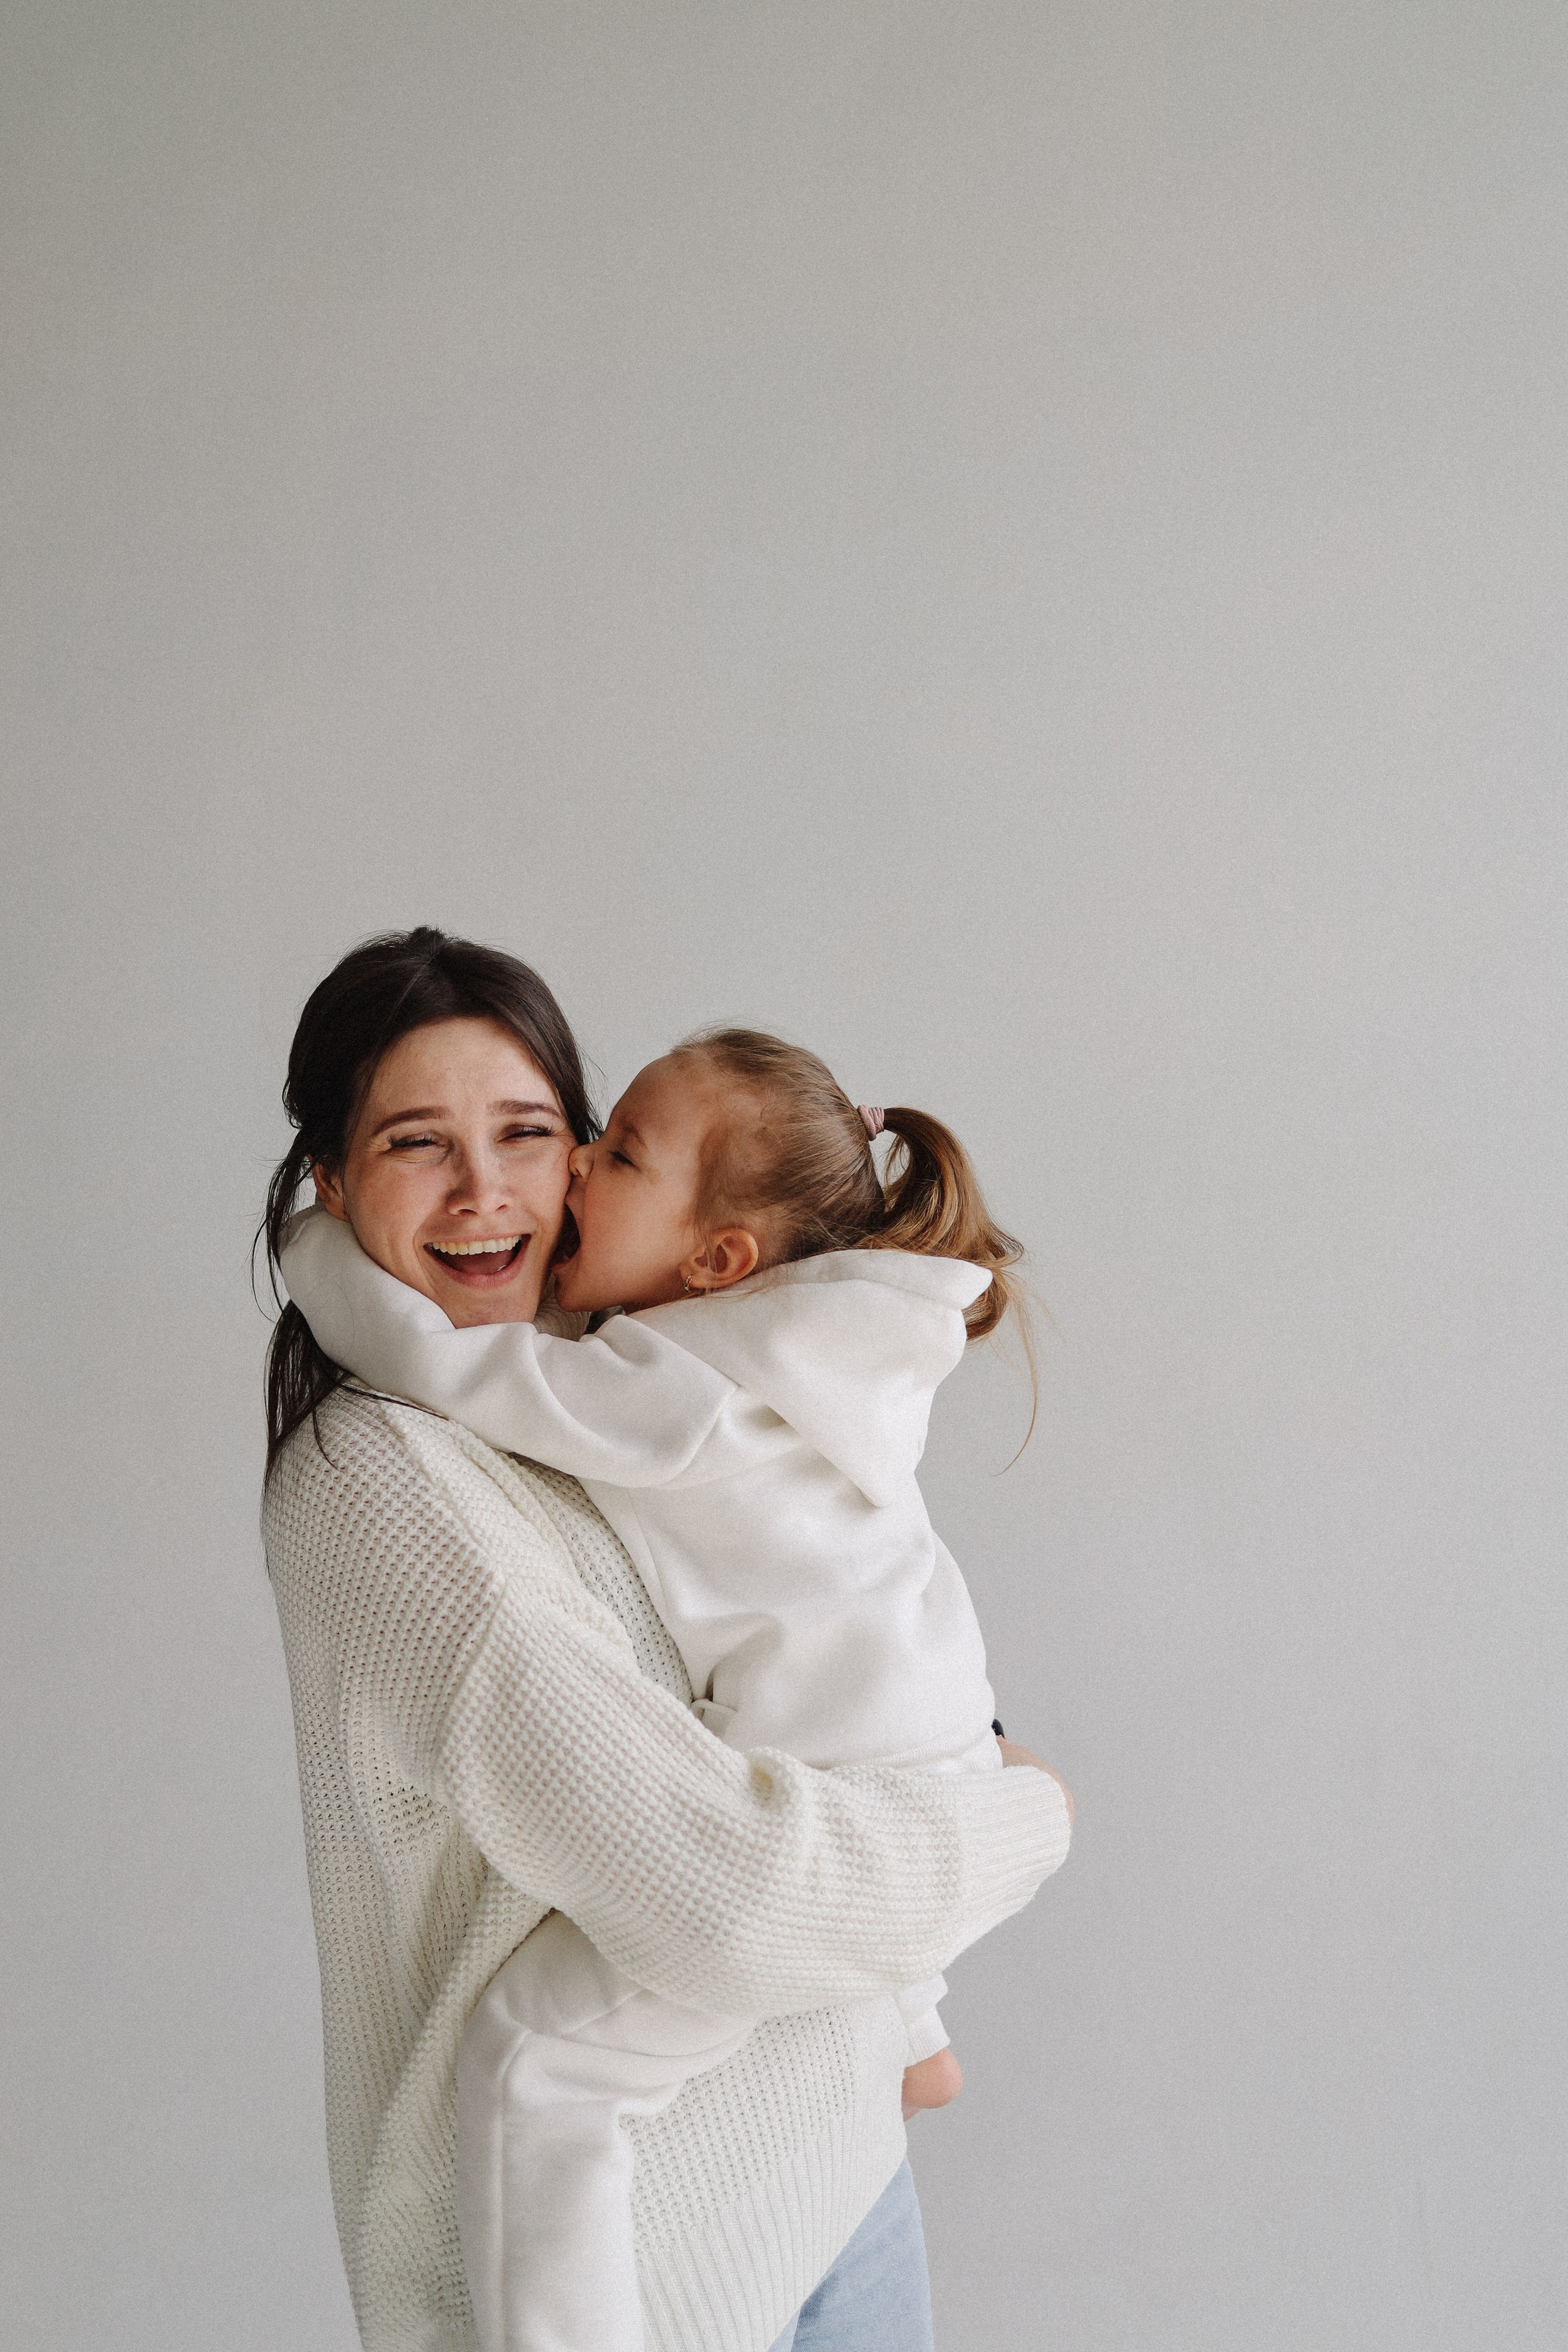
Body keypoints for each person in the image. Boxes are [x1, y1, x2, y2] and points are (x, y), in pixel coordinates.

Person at [262, 927, 1074, 2352]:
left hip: (836, 2184)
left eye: (531, 1134)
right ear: (329, 1182)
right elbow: (731, 1898)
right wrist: (1025, 1817)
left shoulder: (616, 1364)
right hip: (668, 2289)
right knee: (540, 2063)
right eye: (413, 1145)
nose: (489, 1192)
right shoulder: (385, 1481)